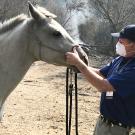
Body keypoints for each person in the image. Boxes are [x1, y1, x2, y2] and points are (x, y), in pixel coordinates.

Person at [65, 24, 135, 135]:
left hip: (119, 129)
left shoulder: (133, 69)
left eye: (121, 41)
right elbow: (100, 73)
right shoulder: (120, 59)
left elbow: (103, 86)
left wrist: (78, 63)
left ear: (133, 45)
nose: (117, 43)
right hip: (103, 123)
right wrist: (78, 65)